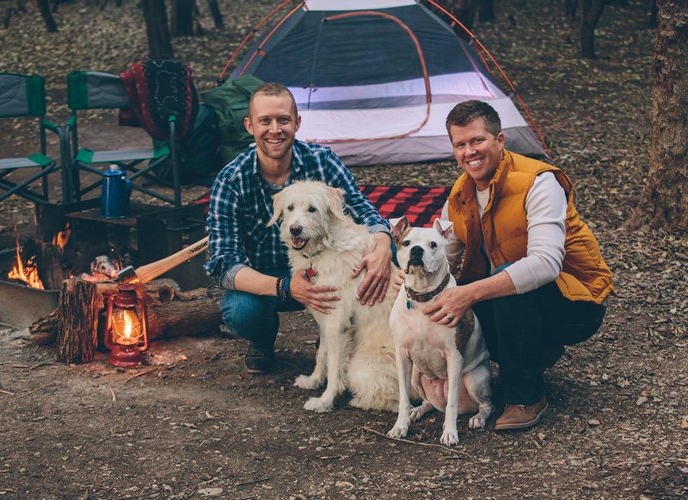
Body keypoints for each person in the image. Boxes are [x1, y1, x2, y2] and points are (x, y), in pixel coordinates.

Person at [423, 100, 613, 431]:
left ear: (500, 140)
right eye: (460, 144)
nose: (470, 152)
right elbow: (445, 259)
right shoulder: (460, 194)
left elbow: (546, 264)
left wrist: (470, 293)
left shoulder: (538, 182)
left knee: (505, 279)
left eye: (477, 141)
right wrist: (409, 279)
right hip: (514, 299)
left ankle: (526, 396)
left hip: (576, 303)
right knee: (461, 299)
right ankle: (530, 352)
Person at [205, 82, 393, 375]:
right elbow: (223, 265)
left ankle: (340, 334)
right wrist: (285, 286)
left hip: (327, 270)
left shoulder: (322, 161)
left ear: (297, 123)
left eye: (283, 120)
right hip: (268, 281)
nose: (274, 129)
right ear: (249, 126)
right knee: (240, 310)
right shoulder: (231, 180)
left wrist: (383, 243)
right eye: (264, 121)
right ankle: (262, 341)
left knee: (385, 248)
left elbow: (360, 207)